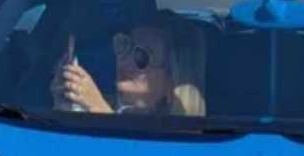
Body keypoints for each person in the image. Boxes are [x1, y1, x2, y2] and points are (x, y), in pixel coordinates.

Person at [53, 13, 207, 116]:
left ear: (172, 81)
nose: (124, 59)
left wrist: (99, 110)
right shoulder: (101, 102)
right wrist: (64, 106)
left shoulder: (188, 136)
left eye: (142, 56)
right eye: (125, 45)